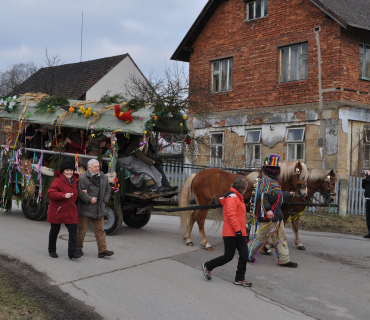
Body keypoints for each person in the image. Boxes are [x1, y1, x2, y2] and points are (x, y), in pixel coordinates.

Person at [248, 155, 298, 268]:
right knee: (261, 237)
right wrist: (268, 210)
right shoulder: (266, 181)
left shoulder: (272, 181)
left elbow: (276, 196)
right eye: (277, 169)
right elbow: (262, 196)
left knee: (281, 237)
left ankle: (284, 260)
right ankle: (247, 254)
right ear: (274, 170)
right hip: (268, 217)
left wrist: (288, 194)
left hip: (277, 216)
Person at [202, 177, 252, 287]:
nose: (246, 191)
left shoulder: (238, 197)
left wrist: (242, 231)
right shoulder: (232, 198)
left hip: (240, 232)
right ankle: (208, 266)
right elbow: (231, 216)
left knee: (244, 255)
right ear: (242, 188)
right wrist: (238, 230)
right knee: (228, 256)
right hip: (232, 233)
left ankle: (240, 278)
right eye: (245, 188)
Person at [76, 159, 114, 258]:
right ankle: (78, 248)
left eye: (98, 166)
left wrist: (104, 202)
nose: (97, 168)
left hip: (99, 210)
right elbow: (80, 193)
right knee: (82, 230)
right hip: (86, 209)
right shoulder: (83, 178)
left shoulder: (103, 177)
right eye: (95, 167)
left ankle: (102, 250)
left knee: (100, 231)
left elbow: (107, 191)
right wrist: (89, 199)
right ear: (89, 168)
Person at [47, 158, 81, 259]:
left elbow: (75, 193)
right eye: (67, 170)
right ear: (63, 171)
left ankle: (72, 253)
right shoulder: (57, 180)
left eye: (71, 170)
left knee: (73, 230)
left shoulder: (75, 181)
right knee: (54, 231)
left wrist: (82, 192)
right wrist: (63, 195)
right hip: (58, 210)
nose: (69, 172)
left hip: (70, 209)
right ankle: (51, 250)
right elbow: (50, 193)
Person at [361, 170, 370, 238]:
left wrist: (369, 176)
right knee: (368, 217)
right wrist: (365, 178)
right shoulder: (368, 178)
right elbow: (363, 186)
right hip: (368, 199)